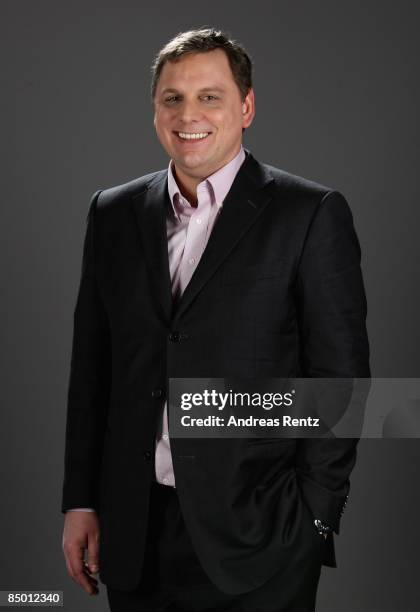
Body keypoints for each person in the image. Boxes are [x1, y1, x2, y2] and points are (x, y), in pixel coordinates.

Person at [61, 27, 370, 612]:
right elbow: (92, 371)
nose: (188, 114)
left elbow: (343, 383)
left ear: (246, 106)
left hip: (262, 535)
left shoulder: (309, 214)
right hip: (134, 534)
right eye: (172, 97)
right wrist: (80, 501)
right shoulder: (113, 212)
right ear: (155, 110)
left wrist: (315, 520)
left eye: (210, 96)